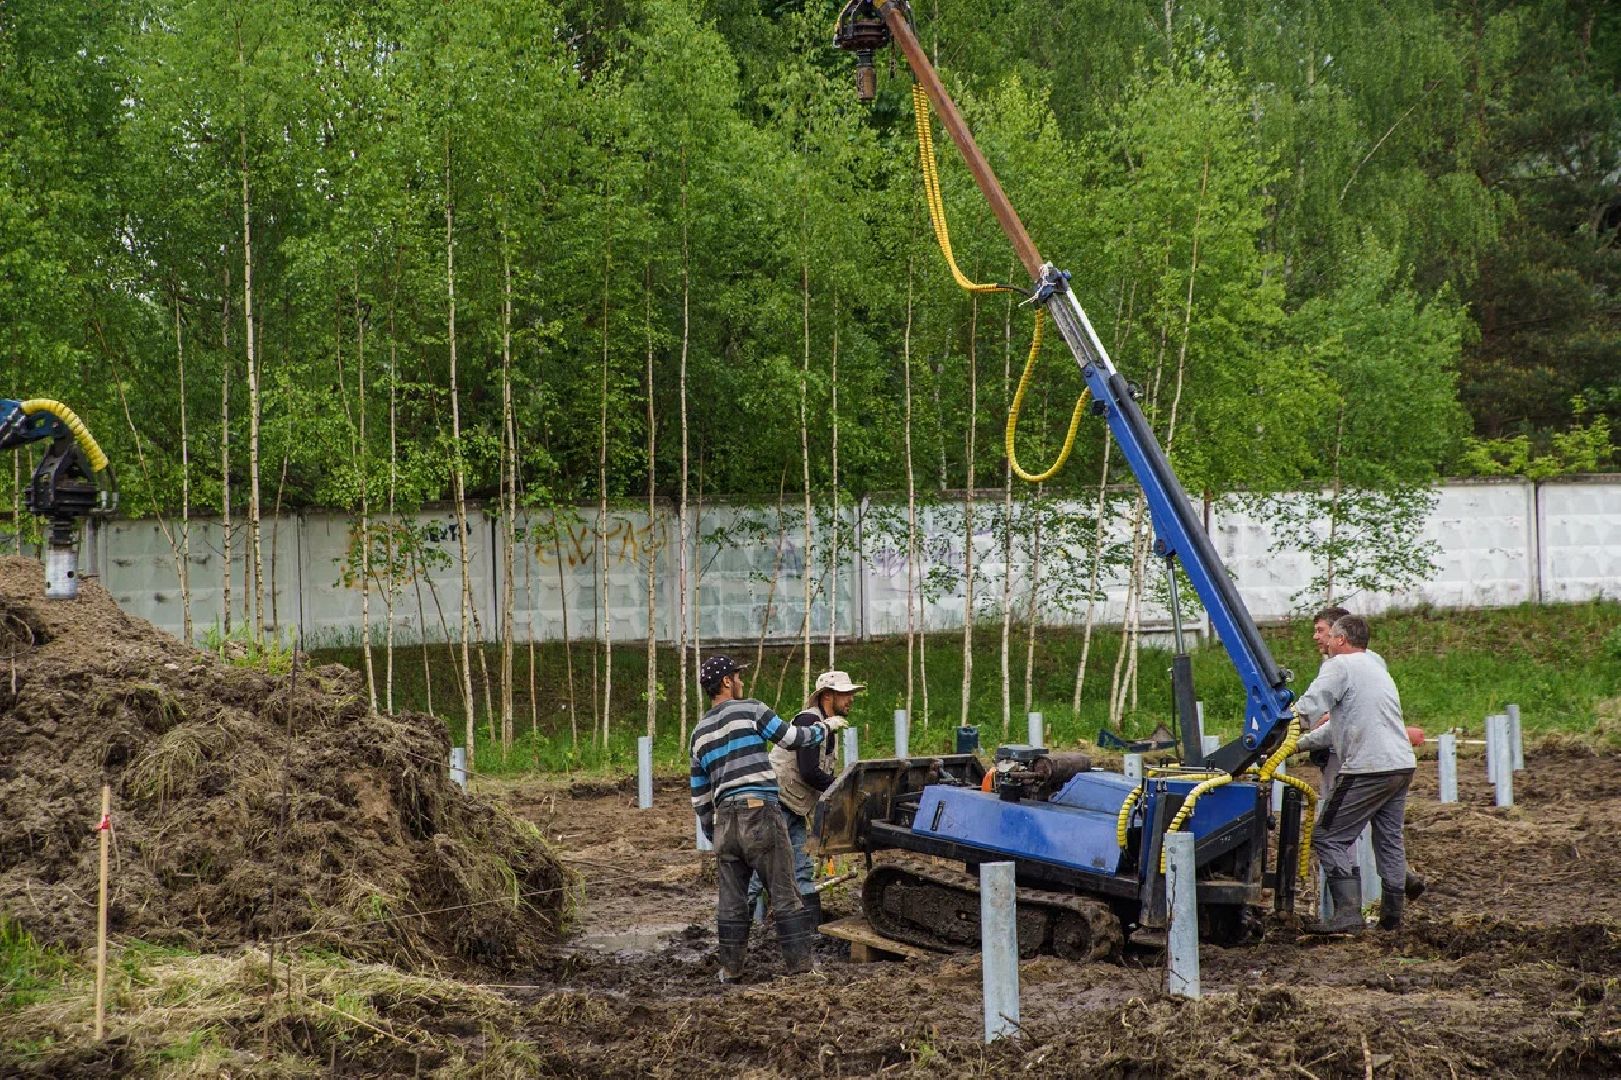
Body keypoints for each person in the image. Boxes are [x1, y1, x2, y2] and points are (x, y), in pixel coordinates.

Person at [690, 654, 847, 982]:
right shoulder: (751, 709)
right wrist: (824, 727)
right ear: (726, 683)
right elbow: (792, 738)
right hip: (760, 811)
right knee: (785, 889)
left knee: (731, 899)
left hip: (724, 821)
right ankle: (801, 969)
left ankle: (730, 970)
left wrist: (713, 832)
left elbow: (700, 796)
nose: (742, 681)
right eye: (738, 676)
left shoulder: (699, 733)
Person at [1294, 615, 1416, 933]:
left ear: (1342, 640)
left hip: (1368, 767)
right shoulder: (1374, 666)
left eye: (1330, 636)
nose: (1326, 642)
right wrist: (1296, 746)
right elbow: (1336, 727)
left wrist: (1282, 723)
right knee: (1388, 838)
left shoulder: (1339, 666)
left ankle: (1348, 913)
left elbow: (1309, 706)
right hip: (1401, 764)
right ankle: (1392, 918)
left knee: (1327, 835)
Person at [749, 670, 864, 926]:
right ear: (827, 696)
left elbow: (819, 776)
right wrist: (843, 789)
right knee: (760, 870)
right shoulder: (808, 722)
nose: (851, 699)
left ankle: (810, 931)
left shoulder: (829, 728)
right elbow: (810, 772)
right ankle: (741, 931)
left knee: (802, 869)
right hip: (775, 803)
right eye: (845, 694)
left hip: (795, 806)